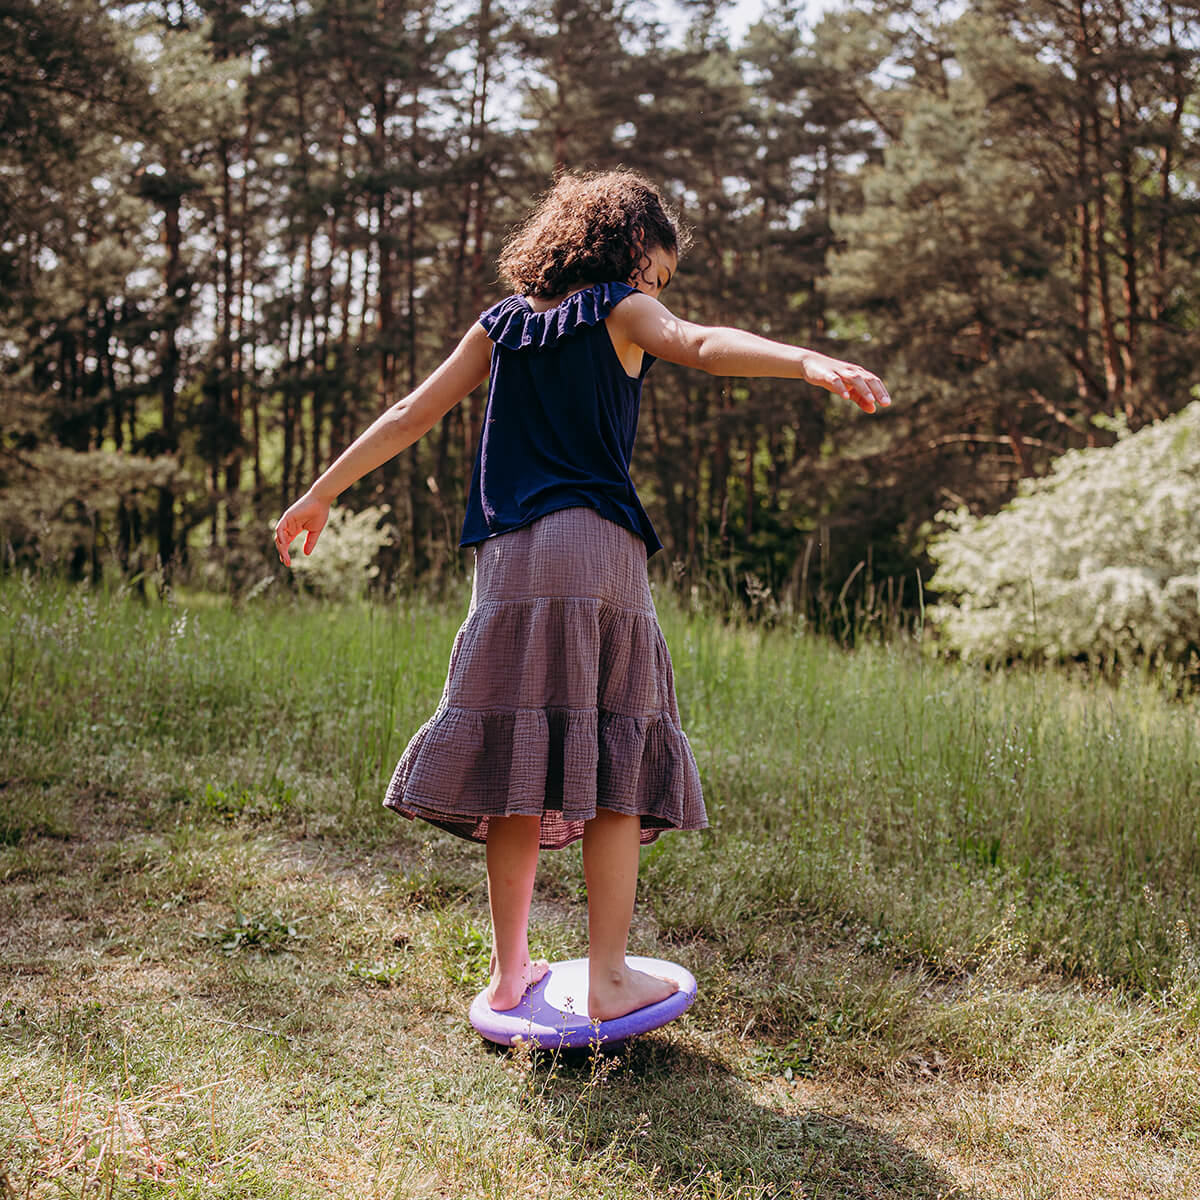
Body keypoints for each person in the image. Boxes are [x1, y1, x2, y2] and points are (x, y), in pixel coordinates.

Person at [274, 169, 890, 1022]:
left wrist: (320, 491)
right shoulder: (619, 308)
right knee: (614, 761)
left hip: (505, 557)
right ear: (632, 248)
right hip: (592, 547)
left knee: (519, 757)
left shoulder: (500, 325)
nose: (657, 292)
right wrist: (808, 362)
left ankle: (509, 971)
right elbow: (704, 347)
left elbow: (411, 414)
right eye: (659, 275)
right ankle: (605, 977)